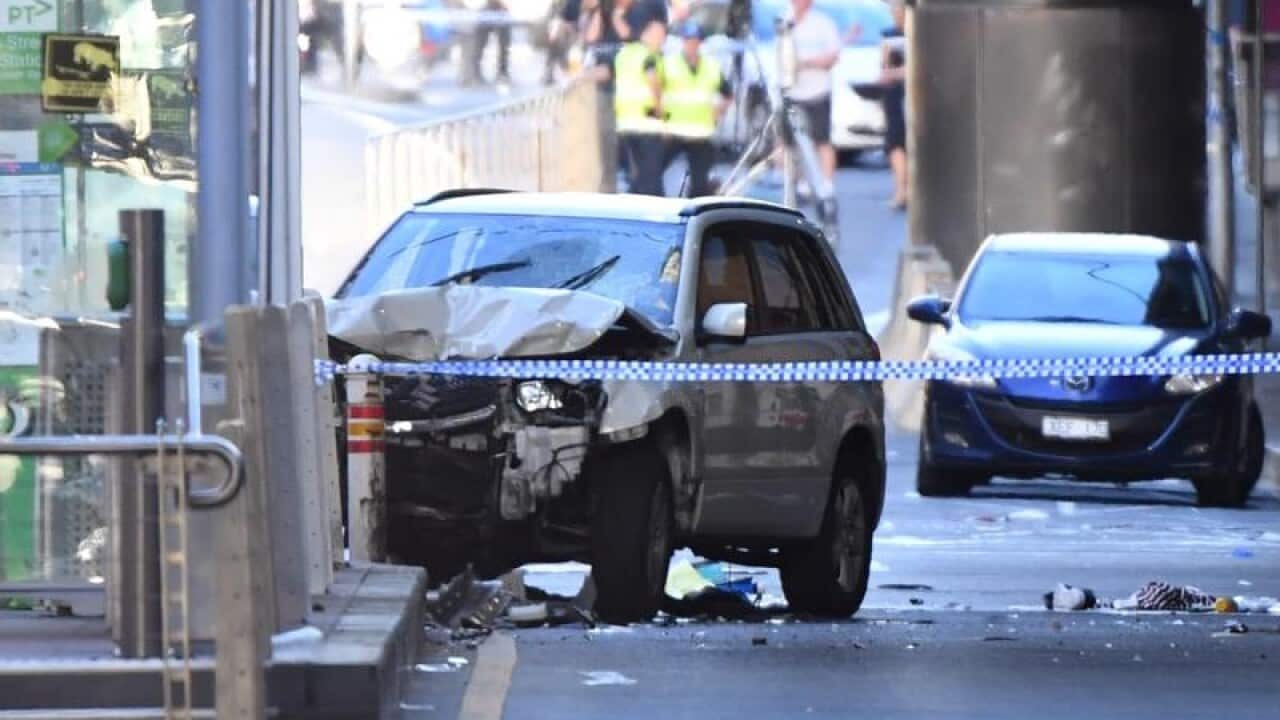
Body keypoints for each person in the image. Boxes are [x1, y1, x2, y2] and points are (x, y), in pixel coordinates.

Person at [662, 21, 733, 197]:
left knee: (699, 186)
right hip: (674, 131)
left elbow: (728, 94)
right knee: (652, 171)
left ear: (700, 43)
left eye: (695, 41)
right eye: (688, 41)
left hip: (701, 133)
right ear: (683, 42)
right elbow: (657, 92)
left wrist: (718, 111)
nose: (692, 45)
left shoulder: (711, 67)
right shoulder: (669, 64)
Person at [786, 0, 841, 183]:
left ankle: (826, 185)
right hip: (792, 92)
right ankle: (798, 183)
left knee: (821, 141)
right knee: (790, 144)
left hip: (817, 92)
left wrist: (806, 63)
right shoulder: (785, 21)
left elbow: (833, 57)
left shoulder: (822, 23)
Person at [613, 20, 669, 196]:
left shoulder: (624, 54)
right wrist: (662, 115)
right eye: (658, 36)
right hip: (646, 123)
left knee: (639, 174)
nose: (661, 40)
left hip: (625, 123)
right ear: (646, 34)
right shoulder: (649, 56)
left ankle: (633, 203)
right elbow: (653, 83)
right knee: (652, 177)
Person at [881, 2, 908, 210]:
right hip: (894, 94)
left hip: (911, 93)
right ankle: (900, 189)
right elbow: (884, 66)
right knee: (895, 144)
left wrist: (893, 73)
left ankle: (906, 191)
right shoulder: (889, 34)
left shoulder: (919, 32)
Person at [464, 0, 512, 88]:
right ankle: (475, 74)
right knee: (479, 46)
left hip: (502, 11)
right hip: (484, 11)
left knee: (504, 46)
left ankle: (502, 73)